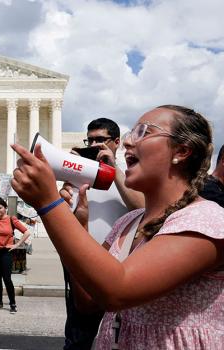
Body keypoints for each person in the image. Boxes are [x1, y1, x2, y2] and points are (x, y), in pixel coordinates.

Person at [12, 105, 224, 349]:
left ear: (182, 151)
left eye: (144, 132)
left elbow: (117, 291)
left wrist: (49, 203)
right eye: (130, 133)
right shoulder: (128, 222)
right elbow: (89, 301)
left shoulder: (207, 221)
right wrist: (78, 225)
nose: (127, 143)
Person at [61, 118, 144, 350]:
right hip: (81, 263)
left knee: (120, 334)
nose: (95, 144)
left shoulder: (131, 175)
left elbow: (142, 208)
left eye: (101, 140)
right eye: (91, 140)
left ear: (116, 142)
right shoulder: (79, 177)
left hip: (120, 264)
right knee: (78, 336)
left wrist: (112, 168)